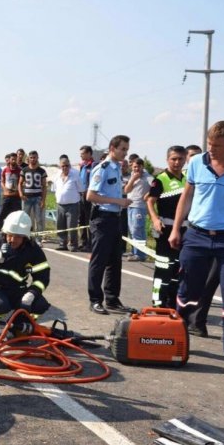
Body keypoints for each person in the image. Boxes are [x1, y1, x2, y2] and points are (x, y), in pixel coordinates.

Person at [169, 121, 224, 378]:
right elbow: (186, 197)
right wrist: (176, 228)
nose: (211, 150)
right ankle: (176, 338)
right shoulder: (197, 164)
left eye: (217, 146)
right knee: (187, 291)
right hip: (196, 236)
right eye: (209, 144)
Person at [0, 210, 51, 342]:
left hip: (17, 288)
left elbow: (43, 277)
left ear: (26, 237)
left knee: (40, 305)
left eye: (17, 236)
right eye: (9, 235)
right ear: (4, 232)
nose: (12, 240)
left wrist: (32, 293)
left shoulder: (33, 250)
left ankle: (18, 326)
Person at [86, 135, 133, 315]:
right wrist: (117, 201)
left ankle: (112, 299)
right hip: (102, 218)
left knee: (115, 261)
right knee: (99, 261)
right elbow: (90, 196)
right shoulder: (103, 168)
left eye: (126, 149)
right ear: (112, 148)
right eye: (122, 149)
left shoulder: (117, 168)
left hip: (114, 218)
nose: (125, 152)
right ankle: (95, 300)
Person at [146, 146, 187, 309]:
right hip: (165, 230)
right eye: (174, 159)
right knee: (163, 268)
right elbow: (149, 201)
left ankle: (172, 303)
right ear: (167, 159)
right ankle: (157, 303)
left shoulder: (187, 179)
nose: (177, 162)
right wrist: (155, 219)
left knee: (177, 269)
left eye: (180, 159)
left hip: (184, 231)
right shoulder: (160, 179)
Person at [124, 157, 152, 261]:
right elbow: (126, 190)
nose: (136, 169)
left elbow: (156, 186)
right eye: (134, 167)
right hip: (130, 205)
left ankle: (140, 255)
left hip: (139, 207)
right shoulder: (132, 176)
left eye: (138, 166)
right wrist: (133, 179)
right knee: (132, 231)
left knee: (137, 230)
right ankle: (134, 251)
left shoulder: (147, 176)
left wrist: (148, 194)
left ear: (142, 166)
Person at [53, 156, 84, 251]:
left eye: (66, 165)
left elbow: (81, 189)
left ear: (69, 166)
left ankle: (73, 245)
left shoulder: (75, 175)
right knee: (60, 225)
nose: (65, 168)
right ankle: (62, 244)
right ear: (60, 166)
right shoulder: (57, 175)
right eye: (63, 166)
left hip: (72, 205)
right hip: (60, 205)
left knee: (72, 226)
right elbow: (54, 189)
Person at [18, 150, 47, 243]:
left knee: (38, 219)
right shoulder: (24, 170)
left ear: (37, 158)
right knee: (25, 218)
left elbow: (44, 186)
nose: (33, 159)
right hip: (27, 198)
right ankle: (25, 237)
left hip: (37, 197)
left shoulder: (42, 171)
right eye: (31, 157)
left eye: (34, 157)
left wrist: (43, 200)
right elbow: (19, 183)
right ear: (28, 159)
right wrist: (21, 194)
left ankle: (38, 239)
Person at [0, 152, 22, 235]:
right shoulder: (5, 170)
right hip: (7, 196)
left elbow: (22, 183)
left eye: (15, 159)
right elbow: (2, 181)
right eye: (12, 159)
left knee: (15, 217)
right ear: (9, 160)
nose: (14, 161)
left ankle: (15, 233)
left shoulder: (20, 170)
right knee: (1, 215)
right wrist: (5, 189)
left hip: (16, 197)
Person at [78, 145, 96, 252]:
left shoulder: (93, 165)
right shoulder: (82, 166)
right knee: (81, 220)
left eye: (83, 153)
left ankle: (90, 243)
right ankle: (83, 242)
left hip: (89, 197)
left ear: (89, 153)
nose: (81, 155)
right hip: (81, 196)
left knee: (89, 220)